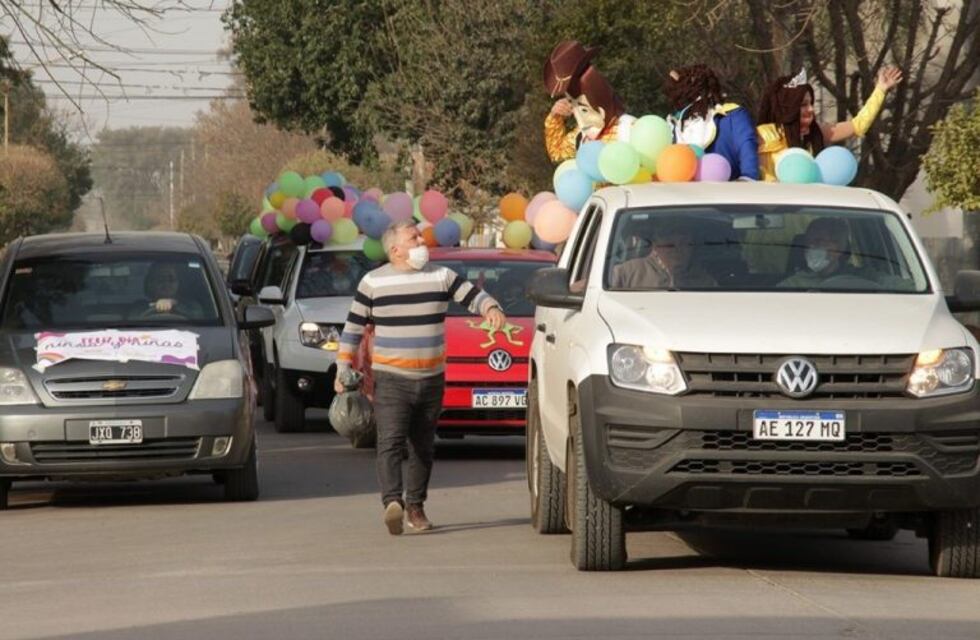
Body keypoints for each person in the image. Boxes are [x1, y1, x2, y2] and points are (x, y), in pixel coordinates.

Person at [335, 220, 506, 535]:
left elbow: (472, 295)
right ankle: (392, 502)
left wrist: (490, 308)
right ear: (395, 250)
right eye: (413, 237)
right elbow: (354, 327)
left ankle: (415, 506)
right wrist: (343, 365)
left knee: (423, 447)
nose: (421, 240)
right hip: (391, 378)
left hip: (431, 378)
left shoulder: (441, 276)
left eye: (419, 235)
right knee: (390, 441)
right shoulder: (373, 282)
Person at [756, 67, 903, 181]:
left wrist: (881, 90)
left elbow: (858, 125)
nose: (811, 109)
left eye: (811, 103)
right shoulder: (764, 135)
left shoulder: (816, 133)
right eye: (803, 105)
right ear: (788, 108)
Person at [664, 64, 759, 180]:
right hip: (686, 193)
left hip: (730, 190)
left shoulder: (731, 114)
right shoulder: (674, 124)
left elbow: (747, 145)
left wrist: (748, 178)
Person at [543, 40, 628, 163]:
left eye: (583, 109)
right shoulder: (582, 137)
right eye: (573, 106)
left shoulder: (628, 131)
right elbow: (557, 152)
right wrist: (555, 117)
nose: (580, 119)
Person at [611, 222, 715, 289]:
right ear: (656, 245)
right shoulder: (626, 273)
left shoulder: (703, 280)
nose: (677, 250)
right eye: (670, 244)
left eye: (684, 243)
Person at [778, 218, 857, 288]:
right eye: (808, 241)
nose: (810, 246)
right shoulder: (791, 284)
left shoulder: (857, 280)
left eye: (818, 241)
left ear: (838, 248)